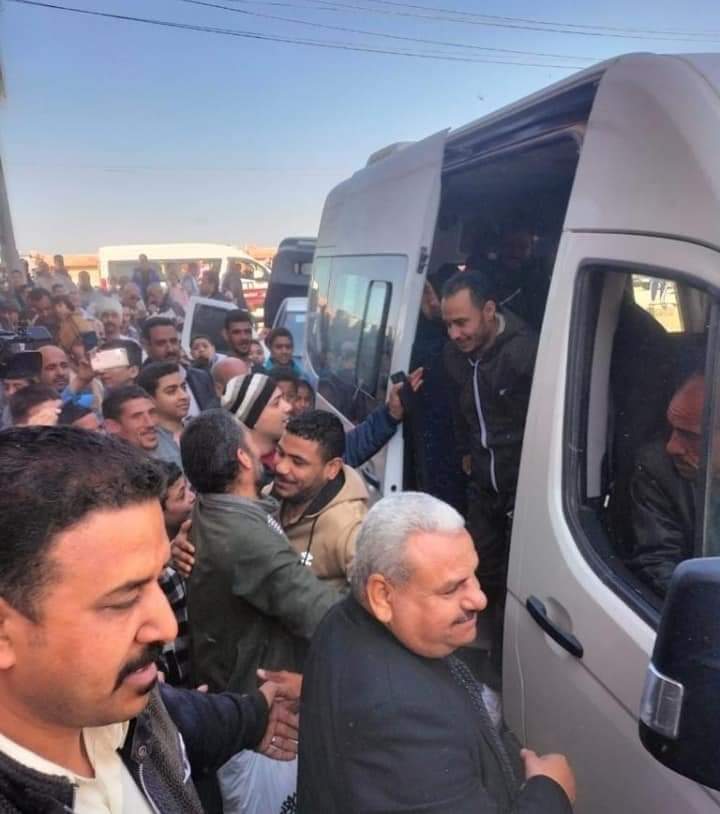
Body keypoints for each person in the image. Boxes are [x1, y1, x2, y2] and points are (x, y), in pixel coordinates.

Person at [0, 426, 299, 814]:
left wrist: (257, 715)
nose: (167, 627)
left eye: (158, 579)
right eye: (124, 600)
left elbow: (182, 714)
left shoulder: (127, 697)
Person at [297, 492, 576, 814]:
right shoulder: (405, 718)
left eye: (473, 575)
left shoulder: (342, 620)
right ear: (382, 595)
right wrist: (551, 793)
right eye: (451, 588)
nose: (479, 599)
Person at [180, 409, 341, 694]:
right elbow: (324, 615)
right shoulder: (248, 540)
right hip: (257, 694)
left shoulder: (207, 506)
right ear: (243, 457)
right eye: (252, 442)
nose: (277, 464)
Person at [441, 272, 538, 639]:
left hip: (520, 489)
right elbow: (460, 410)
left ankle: (503, 656)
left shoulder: (524, 353)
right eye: (448, 325)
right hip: (483, 487)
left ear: (489, 310)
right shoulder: (455, 356)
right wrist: (465, 450)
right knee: (478, 570)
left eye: (461, 322)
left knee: (518, 582)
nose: (454, 334)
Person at [272, 411, 368, 588]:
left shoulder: (350, 529)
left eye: (298, 462)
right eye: (280, 453)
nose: (281, 467)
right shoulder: (271, 494)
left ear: (332, 468)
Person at [627, 373, 703, 597]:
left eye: (690, 435)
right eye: (672, 429)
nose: (672, 447)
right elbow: (658, 563)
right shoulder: (658, 470)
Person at [142, 317, 219, 413]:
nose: (170, 349)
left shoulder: (201, 377)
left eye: (174, 341)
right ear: (146, 345)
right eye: (161, 343)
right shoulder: (139, 386)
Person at [103, 384, 182, 467]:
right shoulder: (105, 468)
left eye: (151, 413)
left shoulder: (173, 448)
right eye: (137, 416)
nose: (150, 423)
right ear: (112, 426)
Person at [137, 362, 191, 464]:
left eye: (184, 388)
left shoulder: (200, 430)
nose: (184, 396)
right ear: (150, 399)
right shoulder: (147, 441)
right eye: (171, 391)